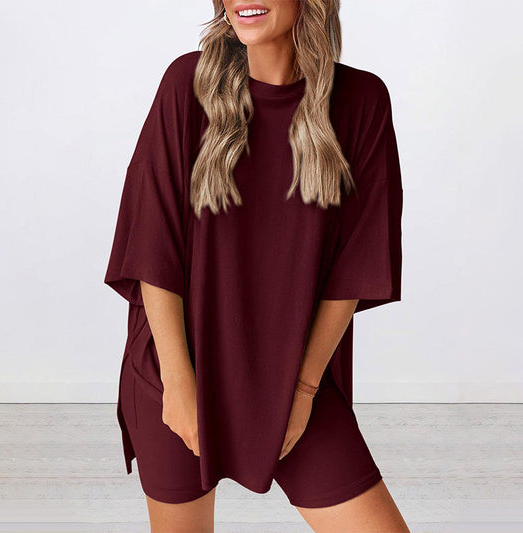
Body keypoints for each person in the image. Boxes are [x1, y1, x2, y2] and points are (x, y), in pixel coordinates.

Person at [104, 1, 410, 531]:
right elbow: (153, 244)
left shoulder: (362, 101)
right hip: (178, 369)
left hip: (297, 373)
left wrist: (304, 392)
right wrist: (177, 385)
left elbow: (355, 266)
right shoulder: (186, 84)